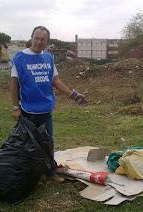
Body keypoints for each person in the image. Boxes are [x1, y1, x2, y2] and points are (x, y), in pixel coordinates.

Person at [11, 26, 87, 182]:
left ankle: (50, 172)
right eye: (36, 38)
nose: (39, 42)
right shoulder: (19, 58)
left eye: (42, 39)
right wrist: (15, 107)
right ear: (31, 38)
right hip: (28, 111)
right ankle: (30, 174)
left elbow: (56, 81)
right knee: (29, 144)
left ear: (47, 42)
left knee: (48, 142)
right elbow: (14, 84)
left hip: (45, 110)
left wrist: (73, 95)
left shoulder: (48, 58)